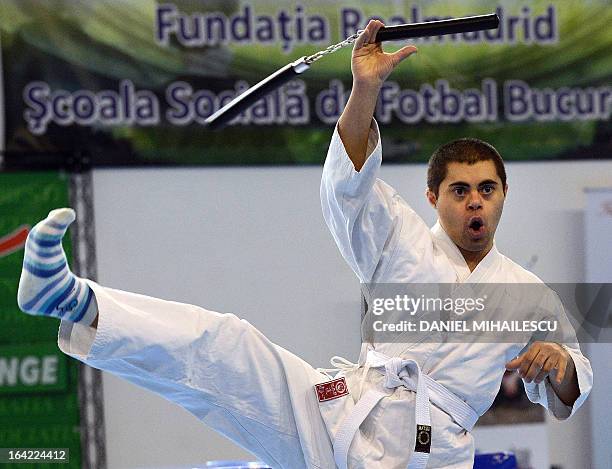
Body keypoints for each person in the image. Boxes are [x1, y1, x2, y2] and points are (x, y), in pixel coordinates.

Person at [17, 20, 591, 469]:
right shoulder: (398, 238)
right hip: (342, 413)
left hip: (429, 450)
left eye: (486, 189)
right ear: (433, 196)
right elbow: (349, 186)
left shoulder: (526, 294)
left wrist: (561, 361)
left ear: (503, 195)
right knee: (225, 343)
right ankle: (72, 299)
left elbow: (572, 386)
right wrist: (365, 87)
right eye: (459, 190)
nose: (474, 202)